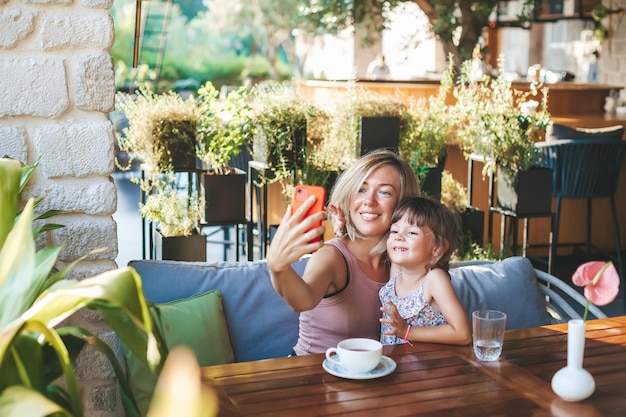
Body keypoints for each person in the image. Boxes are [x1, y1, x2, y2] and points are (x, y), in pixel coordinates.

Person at [266, 149, 420, 355]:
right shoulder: (332, 257)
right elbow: (303, 300)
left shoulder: (400, 262)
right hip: (313, 375)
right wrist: (278, 268)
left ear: (403, 204)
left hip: (370, 376)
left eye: (385, 192)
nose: (369, 201)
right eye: (361, 189)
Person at [379, 196, 471, 346]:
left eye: (412, 233)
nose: (399, 237)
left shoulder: (434, 279)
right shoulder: (397, 271)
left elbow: (463, 334)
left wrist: (407, 331)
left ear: (437, 248)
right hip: (392, 364)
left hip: (425, 366)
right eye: (394, 231)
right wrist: (341, 230)